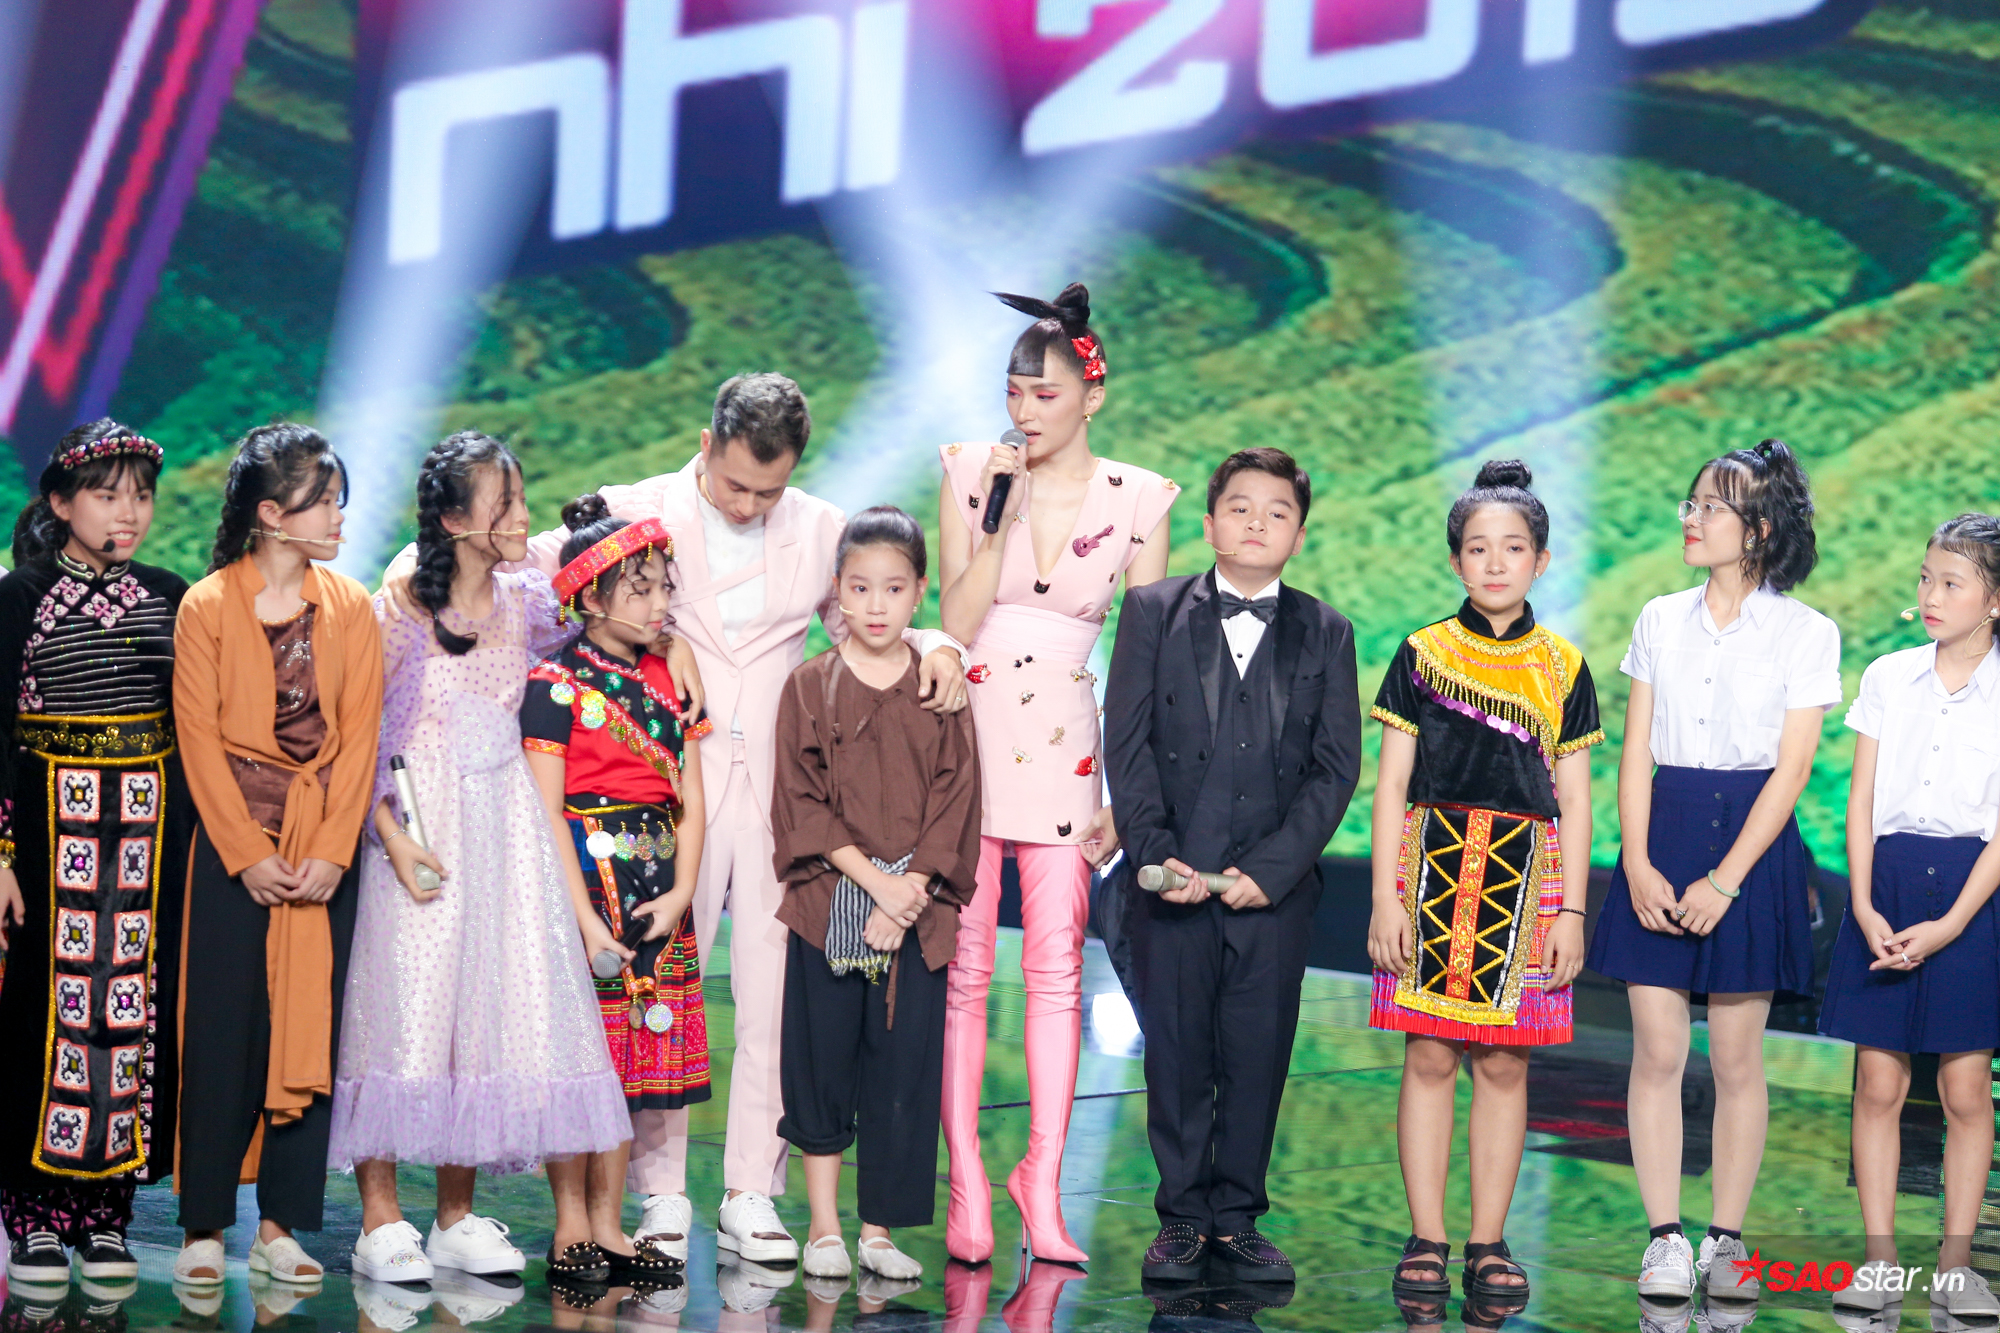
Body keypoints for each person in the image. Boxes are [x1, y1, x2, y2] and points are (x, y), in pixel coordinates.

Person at [383, 373, 966, 1266]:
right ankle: (659, 1191)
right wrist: (407, 566)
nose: (750, 503)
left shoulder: (819, 525)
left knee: (774, 985)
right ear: (705, 444)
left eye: (769, 489)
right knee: (652, 983)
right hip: (660, 792)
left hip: (781, 790)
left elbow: (871, 611)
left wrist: (941, 643)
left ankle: (751, 1187)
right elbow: (527, 561)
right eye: (736, 483)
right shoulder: (637, 506)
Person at [330, 433, 631, 1281]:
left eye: (521, 498)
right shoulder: (396, 610)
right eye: (507, 504)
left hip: (505, 829)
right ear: (456, 519)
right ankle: (380, 1216)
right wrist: (392, 838)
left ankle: (455, 1214)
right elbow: (361, 739)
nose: (523, 517)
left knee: (482, 1012)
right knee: (406, 1007)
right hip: (419, 828)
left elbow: (602, 609)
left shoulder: (525, 601)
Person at [936, 282, 1178, 1264]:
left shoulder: (1140, 497)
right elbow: (954, 623)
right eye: (1013, 392)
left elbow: (1146, 658)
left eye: (1043, 394)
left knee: (1056, 970)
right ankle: (966, 1182)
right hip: (967, 738)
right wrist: (995, 519)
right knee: (964, 974)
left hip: (1071, 748)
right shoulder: (969, 471)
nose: (1023, 411)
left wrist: (1127, 791)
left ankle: (1040, 1180)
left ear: (1091, 395)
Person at [1584, 439, 1839, 1301]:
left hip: (1752, 848)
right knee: (1657, 1048)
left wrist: (1727, 879)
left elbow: (1792, 771)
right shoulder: (1660, 617)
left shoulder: (1806, 632)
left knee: (1735, 1057)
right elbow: (1635, 753)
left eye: (1710, 507)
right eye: (1689, 504)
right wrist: (1637, 860)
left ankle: (1726, 1239)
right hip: (1665, 831)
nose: (1691, 519)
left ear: (1758, 528)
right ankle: (1664, 1237)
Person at [1102, 449, 1361, 1285]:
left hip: (1273, 892)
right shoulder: (1151, 610)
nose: (1257, 522)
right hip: (1172, 878)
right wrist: (1154, 852)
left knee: (1258, 1053)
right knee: (1176, 1050)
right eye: (1240, 507)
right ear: (1210, 523)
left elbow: (1336, 768)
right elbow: (1127, 743)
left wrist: (1273, 870)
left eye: (1277, 511)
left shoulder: (1328, 630)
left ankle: (1239, 1217)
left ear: (1299, 534)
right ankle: (1181, 1218)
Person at [1365, 460, 1599, 1311]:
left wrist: (1573, 909)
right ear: (1455, 559)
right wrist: (1385, 896)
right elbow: (1392, 783)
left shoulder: (1563, 665)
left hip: (1529, 876)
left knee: (1505, 1063)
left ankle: (1488, 1240)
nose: (1495, 562)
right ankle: (1426, 1236)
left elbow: (1575, 797)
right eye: (1477, 547)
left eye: (1513, 547)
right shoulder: (1422, 652)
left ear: (1542, 559)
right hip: (1428, 866)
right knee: (1428, 1054)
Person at [171, 423, 384, 1287]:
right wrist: (242, 852)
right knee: (222, 1029)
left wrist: (332, 850)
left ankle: (281, 1225)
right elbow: (197, 738)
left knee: (311, 1029)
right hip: (236, 849)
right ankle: (203, 1224)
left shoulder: (351, 605)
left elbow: (360, 737)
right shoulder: (206, 605)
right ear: (270, 513)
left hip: (320, 845)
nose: (338, 516)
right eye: (323, 500)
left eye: (337, 500)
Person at [0, 422, 190, 1287]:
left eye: (140, 496)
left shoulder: (170, 595)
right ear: (61, 501)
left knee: (131, 1013)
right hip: (49, 830)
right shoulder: (20, 596)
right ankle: (34, 1211)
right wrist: (1, 854)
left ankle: (107, 1216)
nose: (129, 513)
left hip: (148, 832)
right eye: (108, 495)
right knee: (44, 1012)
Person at [770, 506, 981, 1283]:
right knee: (821, 1062)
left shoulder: (940, 689)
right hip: (831, 900)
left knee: (901, 1070)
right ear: (837, 591)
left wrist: (912, 889)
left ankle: (879, 1228)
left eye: (894, 588)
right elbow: (801, 801)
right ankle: (824, 1225)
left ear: (919, 592)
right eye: (860, 588)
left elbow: (957, 797)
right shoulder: (810, 686)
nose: (877, 604)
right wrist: (879, 887)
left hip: (917, 913)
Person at [519, 495, 705, 1283]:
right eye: (641, 590)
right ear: (590, 597)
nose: (660, 605)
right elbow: (545, 812)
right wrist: (583, 920)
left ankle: (610, 1221)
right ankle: (571, 1223)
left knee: (630, 1062)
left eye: (665, 588)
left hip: (657, 886)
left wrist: (683, 888)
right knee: (578, 1061)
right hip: (584, 887)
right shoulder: (552, 682)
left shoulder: (670, 674)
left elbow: (692, 796)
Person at [1818, 515, 2000, 1321]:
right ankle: (1880, 1261)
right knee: (1878, 1082)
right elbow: (1860, 800)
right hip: (1886, 882)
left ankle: (1956, 1265)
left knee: (1965, 1088)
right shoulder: (1890, 676)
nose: (1930, 594)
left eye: (1951, 582)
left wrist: (1954, 922)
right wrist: (1861, 903)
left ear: (1994, 600)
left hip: (1973, 890)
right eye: (1926, 577)